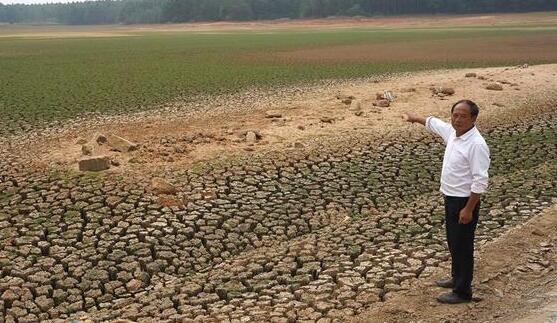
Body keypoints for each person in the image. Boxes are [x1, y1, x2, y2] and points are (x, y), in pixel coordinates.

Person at [403, 99, 491, 304]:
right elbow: (434, 123)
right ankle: (456, 278)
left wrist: (469, 209)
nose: (457, 119)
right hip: (450, 198)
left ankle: (462, 291)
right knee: (454, 242)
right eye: (455, 115)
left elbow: (480, 180)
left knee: (463, 245)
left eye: (463, 116)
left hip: (464, 202)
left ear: (474, 118)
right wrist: (413, 118)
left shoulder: (476, 144)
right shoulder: (452, 132)